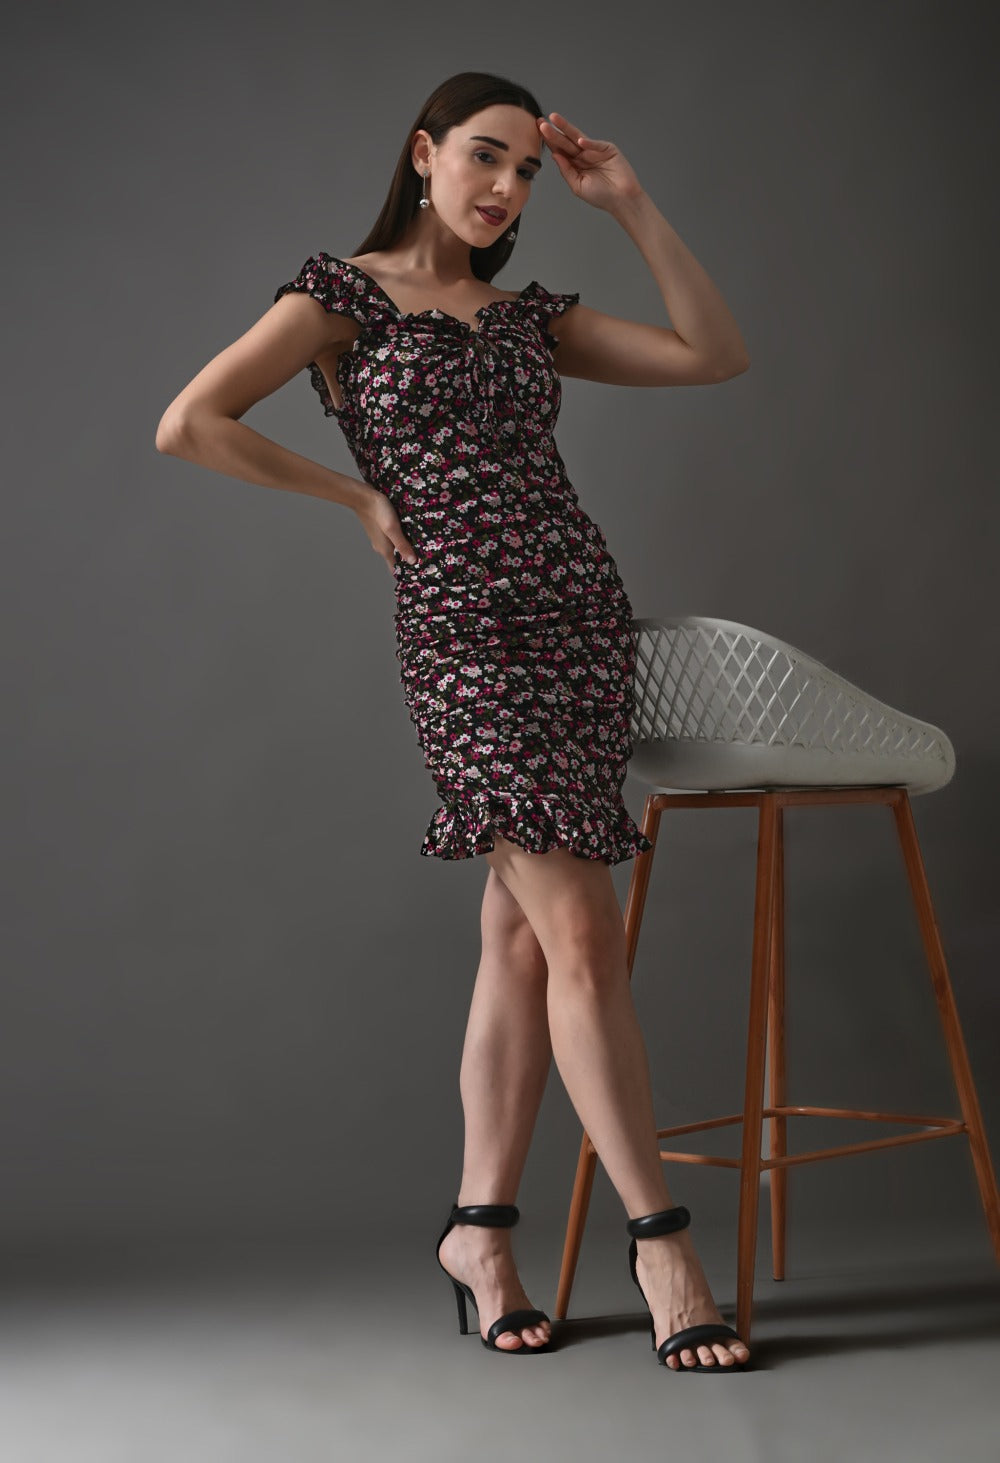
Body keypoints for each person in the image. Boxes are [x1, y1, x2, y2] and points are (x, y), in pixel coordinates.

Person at [156, 70, 752, 1373]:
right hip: (465, 632)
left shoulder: (529, 319)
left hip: (578, 619)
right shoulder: (342, 298)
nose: (507, 187)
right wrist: (357, 499)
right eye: (487, 156)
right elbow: (190, 423)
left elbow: (715, 353)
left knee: (524, 941)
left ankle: (479, 1234)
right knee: (583, 932)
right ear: (423, 154)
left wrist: (631, 203)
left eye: (528, 171)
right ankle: (663, 1243)